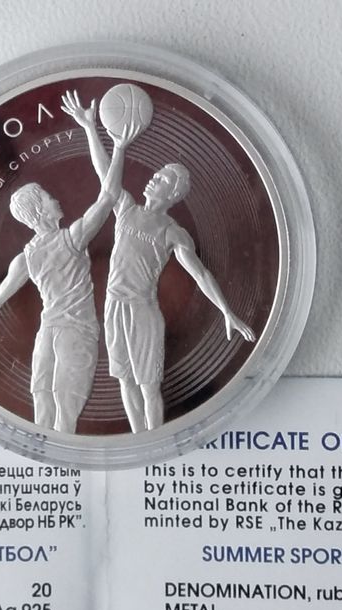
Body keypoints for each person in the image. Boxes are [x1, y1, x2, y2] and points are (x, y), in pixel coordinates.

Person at [63, 91, 256, 433]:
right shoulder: (126, 208)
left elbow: (200, 274)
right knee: (125, 381)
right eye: (157, 174)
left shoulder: (172, 232)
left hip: (143, 311)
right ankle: (141, 440)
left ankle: (156, 436)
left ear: (173, 193)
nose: (154, 178)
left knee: (148, 386)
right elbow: (105, 176)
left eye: (163, 178)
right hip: (114, 306)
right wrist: (91, 129)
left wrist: (226, 311)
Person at [0, 108, 132, 434]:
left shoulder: (26, 257)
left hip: (48, 331)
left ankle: (46, 455)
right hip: (75, 332)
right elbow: (109, 195)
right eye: (48, 198)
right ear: (39, 211)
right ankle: (60, 457)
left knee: (43, 403)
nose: (55, 199)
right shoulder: (73, 238)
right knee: (64, 407)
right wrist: (114, 144)